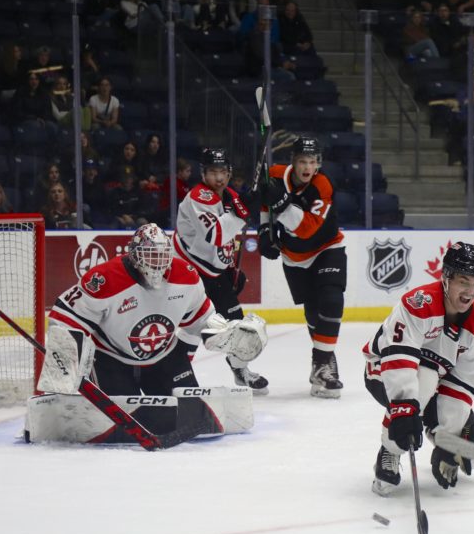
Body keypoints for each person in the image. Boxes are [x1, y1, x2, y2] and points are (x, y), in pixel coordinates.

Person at [47, 223, 266, 399]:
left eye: (162, 255)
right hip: (112, 359)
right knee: (122, 423)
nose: (158, 263)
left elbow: (202, 320)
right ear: (134, 254)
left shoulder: (186, 276)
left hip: (164, 357)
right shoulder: (105, 279)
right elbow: (64, 319)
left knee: (190, 414)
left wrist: (227, 334)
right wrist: (63, 377)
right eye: (151, 255)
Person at [365, 243, 474, 495]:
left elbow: (460, 390)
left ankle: (434, 429)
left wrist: (448, 442)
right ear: (446, 278)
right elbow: (399, 359)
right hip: (383, 371)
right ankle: (390, 451)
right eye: (464, 281)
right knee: (424, 377)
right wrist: (404, 409)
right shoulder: (419, 304)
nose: (471, 291)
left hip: (432, 386)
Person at [174, 148, 268, 394]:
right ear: (203, 173)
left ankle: (240, 370)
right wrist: (242, 212)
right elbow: (215, 234)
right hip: (189, 273)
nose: (218, 178)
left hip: (214, 273)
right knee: (196, 326)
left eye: (223, 172)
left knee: (237, 322)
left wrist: (229, 269)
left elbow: (227, 240)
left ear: (229, 173)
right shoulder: (198, 197)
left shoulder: (229, 196)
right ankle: (177, 373)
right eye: (213, 172)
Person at [260, 137, 347, 398]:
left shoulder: (323, 185)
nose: (307, 167)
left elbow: (306, 228)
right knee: (313, 312)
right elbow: (264, 201)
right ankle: (324, 363)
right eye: (302, 162)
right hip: (294, 256)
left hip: (327, 247)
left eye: (312, 162)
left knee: (332, 300)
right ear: (293, 162)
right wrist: (263, 230)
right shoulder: (275, 175)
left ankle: (321, 364)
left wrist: (281, 204)